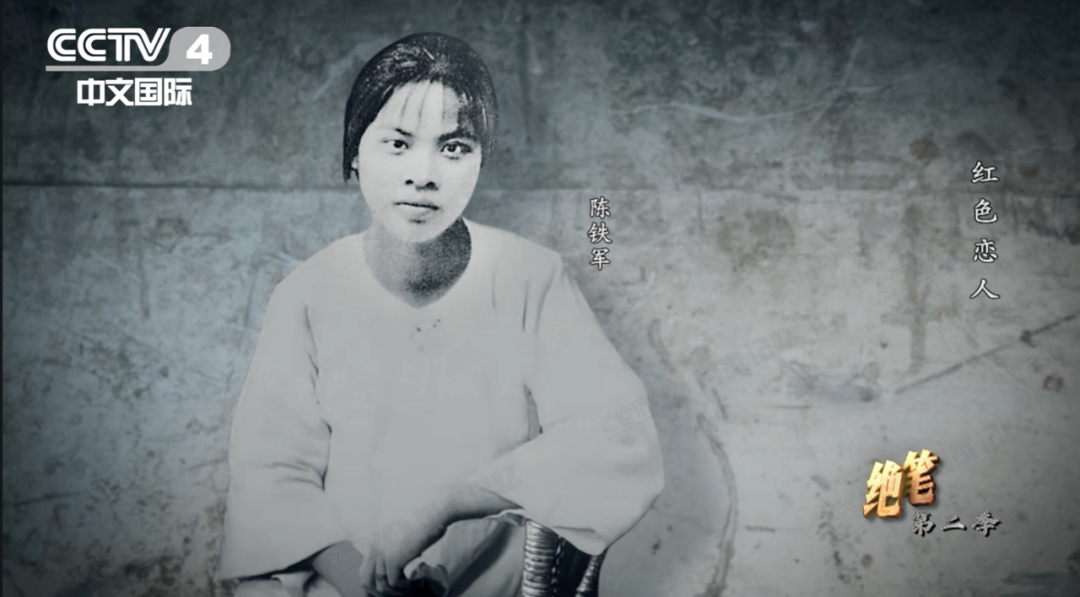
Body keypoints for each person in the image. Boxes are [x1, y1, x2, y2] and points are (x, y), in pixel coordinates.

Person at [215, 32, 664, 597]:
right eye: (397, 144)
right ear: (355, 151)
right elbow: (271, 472)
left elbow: (616, 430)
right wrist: (363, 581)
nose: (424, 174)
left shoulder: (531, 276)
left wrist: (445, 506)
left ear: (480, 160)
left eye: (454, 148)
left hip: (491, 585)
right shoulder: (307, 293)